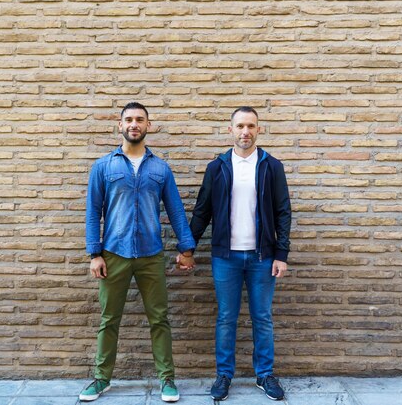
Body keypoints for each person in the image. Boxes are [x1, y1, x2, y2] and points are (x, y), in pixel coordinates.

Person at [82, 102, 196, 402]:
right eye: (129, 119)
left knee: (159, 319)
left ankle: (167, 380)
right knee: (109, 319)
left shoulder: (160, 169)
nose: (134, 124)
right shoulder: (103, 167)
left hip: (150, 256)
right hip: (113, 255)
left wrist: (186, 248)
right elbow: (93, 212)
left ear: (148, 126)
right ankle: (101, 378)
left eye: (140, 120)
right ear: (120, 126)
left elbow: (176, 211)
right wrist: (94, 253)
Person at [186, 106, 291, 401]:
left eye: (251, 126)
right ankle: (224, 375)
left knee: (262, 317)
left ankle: (265, 375)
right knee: (226, 318)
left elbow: (283, 212)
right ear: (230, 129)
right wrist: (187, 248)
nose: (245, 131)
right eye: (240, 126)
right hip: (225, 257)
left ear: (259, 130)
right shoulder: (217, 167)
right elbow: (202, 211)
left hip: (263, 257)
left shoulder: (272, 166)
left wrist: (281, 254)